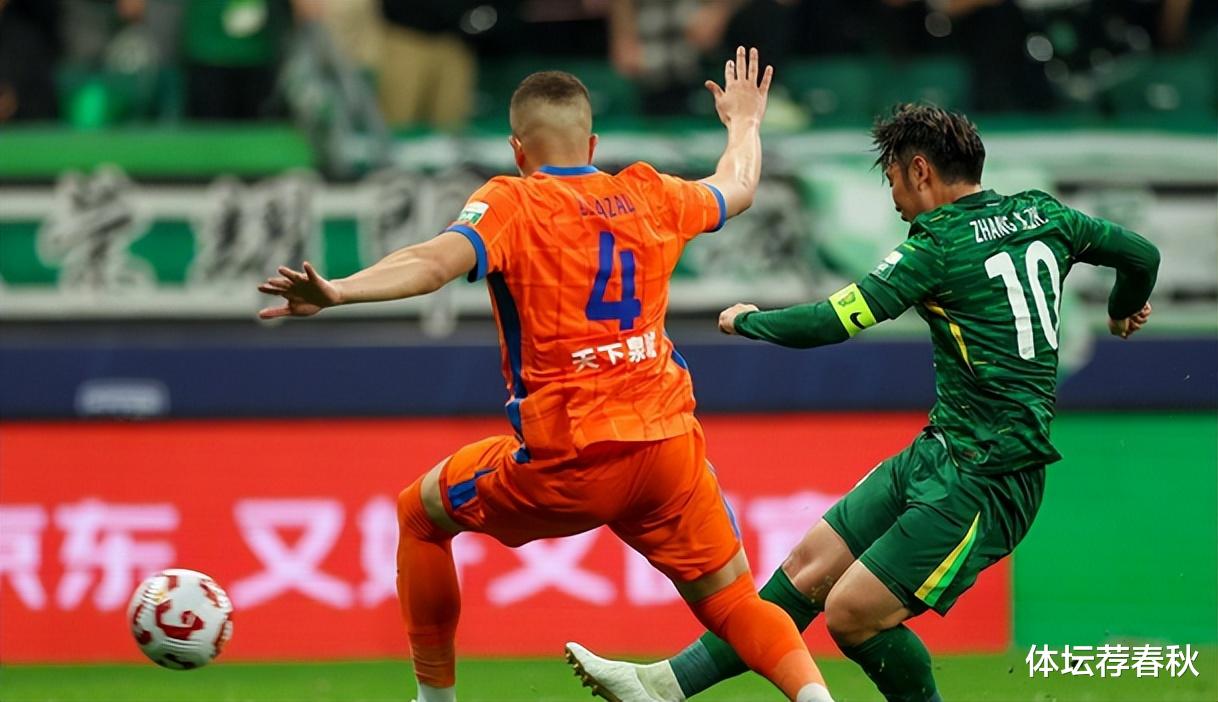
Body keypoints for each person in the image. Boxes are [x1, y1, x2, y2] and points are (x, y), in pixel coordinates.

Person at [257, 47, 834, 702]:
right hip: (667, 447)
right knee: (732, 602)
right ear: (592, 143)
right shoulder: (649, 193)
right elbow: (739, 185)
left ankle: (435, 699)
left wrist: (340, 290)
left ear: (517, 150)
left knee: (419, 513)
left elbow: (433, 262)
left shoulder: (513, 202)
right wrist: (745, 122)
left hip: (571, 460)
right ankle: (816, 697)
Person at [566, 103, 1160, 702]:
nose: (895, 199)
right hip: (941, 451)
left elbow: (831, 321)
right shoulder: (1042, 213)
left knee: (853, 615)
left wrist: (749, 320)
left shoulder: (937, 247)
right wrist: (1122, 309)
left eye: (894, 179)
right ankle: (663, 686)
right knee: (807, 569)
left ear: (920, 170)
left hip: (991, 477)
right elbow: (1141, 256)